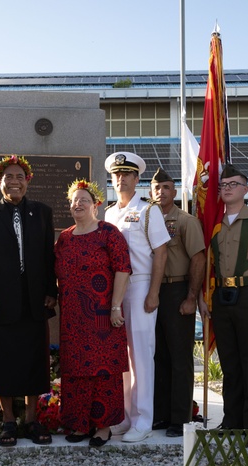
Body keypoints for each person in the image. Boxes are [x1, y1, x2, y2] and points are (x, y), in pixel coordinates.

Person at [0, 155, 57, 447]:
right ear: (0, 181)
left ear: (28, 180)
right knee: (2, 362)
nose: (14, 181)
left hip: (34, 302)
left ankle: (32, 420)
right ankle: (8, 420)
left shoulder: (42, 213)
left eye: (19, 176)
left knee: (33, 362)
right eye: (8, 176)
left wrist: (51, 291)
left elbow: (49, 257)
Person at [201, 164, 248, 431]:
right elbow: (207, 263)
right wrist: (203, 296)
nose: (227, 189)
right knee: (229, 361)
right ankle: (231, 420)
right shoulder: (215, 224)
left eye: (234, 184)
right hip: (222, 295)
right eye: (223, 185)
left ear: (245, 189)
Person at [54, 180, 131, 447]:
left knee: (103, 371)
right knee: (75, 370)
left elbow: (123, 269)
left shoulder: (109, 233)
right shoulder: (64, 237)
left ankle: (103, 426)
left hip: (102, 315)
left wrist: (115, 306)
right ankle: (78, 424)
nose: (78, 204)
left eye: (84, 200)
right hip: (73, 319)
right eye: (75, 200)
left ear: (96, 204)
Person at [103, 151, 171, 443]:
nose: (121, 179)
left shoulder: (148, 211)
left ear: (137, 178)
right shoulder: (108, 213)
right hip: (116, 289)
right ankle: (126, 416)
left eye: (127, 174)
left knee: (141, 355)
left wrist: (154, 292)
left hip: (141, 285)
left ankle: (143, 419)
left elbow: (161, 252)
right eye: (117, 174)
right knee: (123, 357)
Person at [149, 167, 205, 437]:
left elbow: (198, 258)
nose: (161, 192)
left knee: (179, 357)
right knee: (158, 356)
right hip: (151, 292)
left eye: (166, 187)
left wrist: (191, 297)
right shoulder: (146, 218)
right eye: (156, 188)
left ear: (174, 190)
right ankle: (160, 414)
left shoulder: (185, 221)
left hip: (177, 290)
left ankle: (180, 418)